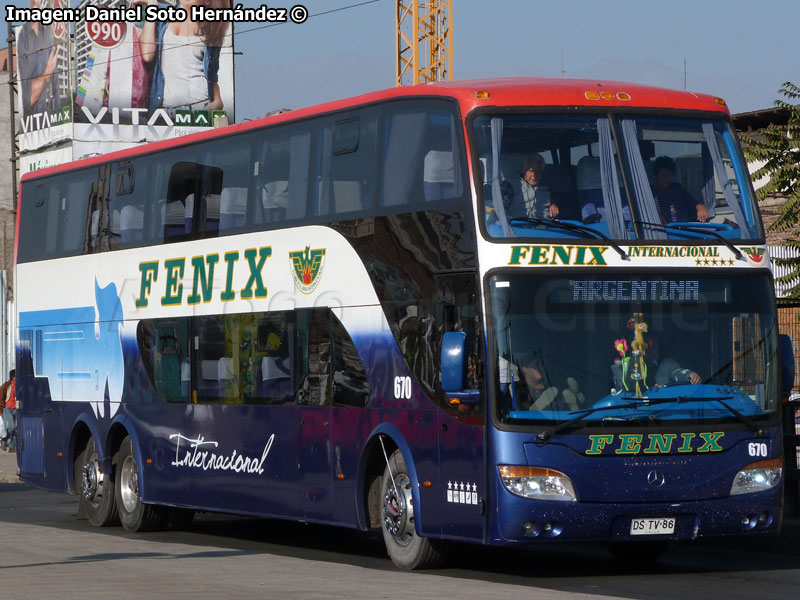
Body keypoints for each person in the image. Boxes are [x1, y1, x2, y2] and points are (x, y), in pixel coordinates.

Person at [135, 0, 230, 115]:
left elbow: (212, 75)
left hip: (200, 107)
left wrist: (217, 102)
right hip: (165, 110)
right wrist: (151, 5)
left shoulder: (209, 28)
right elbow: (147, 55)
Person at [16, 0, 60, 119]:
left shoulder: (48, 33)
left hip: (55, 123)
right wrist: (46, 73)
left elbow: (56, 86)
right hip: (33, 126)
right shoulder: (23, 35)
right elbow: (28, 98)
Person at [652, 155, 708, 224]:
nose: (665, 178)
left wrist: (700, 207)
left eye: (668, 175)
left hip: (686, 229)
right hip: (664, 231)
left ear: (673, 176)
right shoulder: (650, 193)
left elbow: (694, 203)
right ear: (656, 175)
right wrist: (655, 215)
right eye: (663, 175)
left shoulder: (678, 189)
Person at [508, 154, 559, 220]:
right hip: (516, 227)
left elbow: (552, 205)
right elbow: (500, 210)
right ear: (524, 170)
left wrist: (553, 206)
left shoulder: (546, 190)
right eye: (531, 170)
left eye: (538, 171)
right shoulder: (510, 186)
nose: (534, 175)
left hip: (543, 227)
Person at [0, 370, 16, 451]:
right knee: (11, 427)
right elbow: (1, 398)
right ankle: (4, 440)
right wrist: (1, 410)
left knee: (16, 428)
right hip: (8, 408)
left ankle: (12, 446)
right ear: (13, 377)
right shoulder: (6, 385)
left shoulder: (19, 386)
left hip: (16, 409)